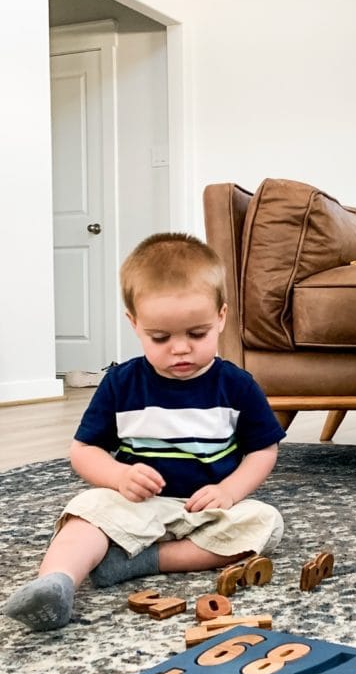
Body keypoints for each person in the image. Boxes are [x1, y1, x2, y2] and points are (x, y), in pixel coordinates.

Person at [3, 232, 286, 632]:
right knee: (86, 511)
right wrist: (118, 476)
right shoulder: (122, 383)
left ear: (221, 317)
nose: (180, 349)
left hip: (205, 511)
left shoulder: (237, 386)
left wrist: (230, 492)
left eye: (197, 333)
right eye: (161, 337)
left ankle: (138, 562)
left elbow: (263, 451)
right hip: (136, 505)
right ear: (134, 324)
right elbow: (84, 450)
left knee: (265, 523)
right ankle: (56, 583)